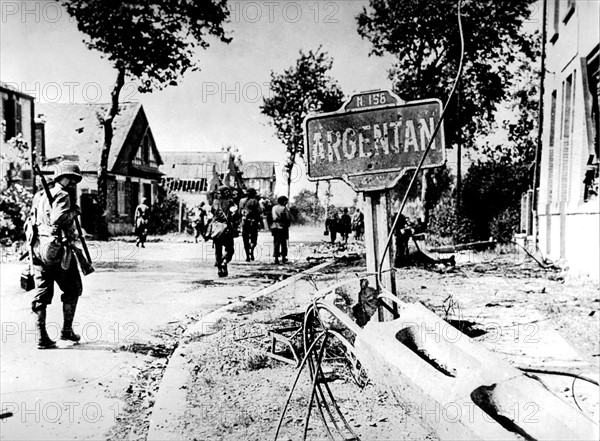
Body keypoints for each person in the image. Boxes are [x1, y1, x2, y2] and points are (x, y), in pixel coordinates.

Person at [30, 162, 84, 349]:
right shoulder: (61, 194)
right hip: (57, 251)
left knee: (42, 292)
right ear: (61, 178)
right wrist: (75, 211)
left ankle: (42, 337)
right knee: (73, 289)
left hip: (38, 248)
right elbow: (58, 218)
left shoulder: (40, 195)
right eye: (71, 178)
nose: (73, 183)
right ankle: (67, 332)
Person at [211, 186, 238, 277]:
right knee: (230, 249)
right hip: (227, 228)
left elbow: (212, 213)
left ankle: (219, 269)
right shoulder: (230, 202)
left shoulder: (215, 202)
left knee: (218, 250)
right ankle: (224, 261)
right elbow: (234, 214)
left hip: (217, 229)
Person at [239, 187, 262, 262]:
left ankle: (247, 256)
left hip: (244, 221)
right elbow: (260, 211)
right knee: (254, 238)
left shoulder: (241, 201)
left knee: (245, 238)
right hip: (253, 222)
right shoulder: (255, 201)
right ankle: (251, 251)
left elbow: (239, 212)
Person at [271, 195, 291, 264]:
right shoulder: (284, 209)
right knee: (283, 243)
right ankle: (283, 257)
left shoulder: (274, 208)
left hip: (274, 226)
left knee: (276, 242)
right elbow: (288, 218)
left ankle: (276, 257)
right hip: (282, 227)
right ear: (284, 202)